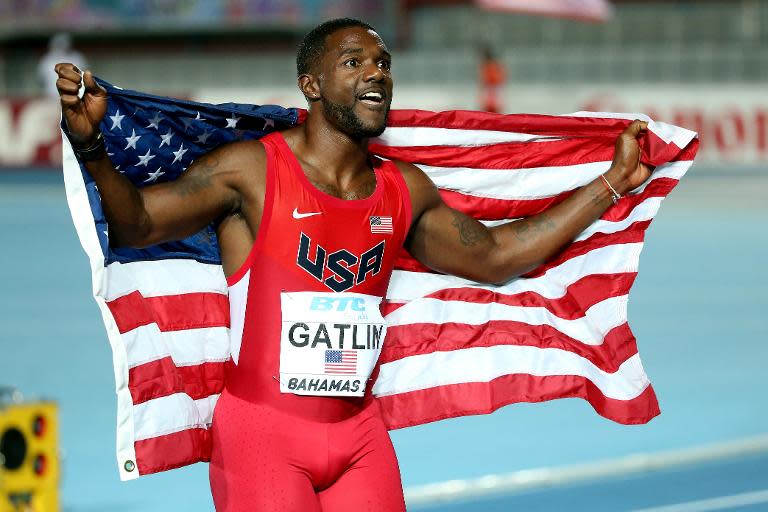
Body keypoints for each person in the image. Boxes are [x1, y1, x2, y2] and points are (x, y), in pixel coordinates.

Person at [55, 17, 650, 512]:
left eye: (384, 63)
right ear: (310, 85)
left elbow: (496, 258)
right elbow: (136, 225)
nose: (376, 74)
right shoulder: (251, 173)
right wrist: (91, 147)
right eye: (354, 62)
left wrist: (612, 183)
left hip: (360, 436)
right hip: (264, 438)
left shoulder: (401, 190)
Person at [38, 33, 87, 98]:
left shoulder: (77, 58)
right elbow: (41, 80)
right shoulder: (46, 60)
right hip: (51, 97)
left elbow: (85, 78)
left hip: (74, 97)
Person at [479, 44, 505, 113]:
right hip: (493, 88)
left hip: (492, 88)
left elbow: (488, 79)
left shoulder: (489, 65)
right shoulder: (493, 65)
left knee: (491, 108)